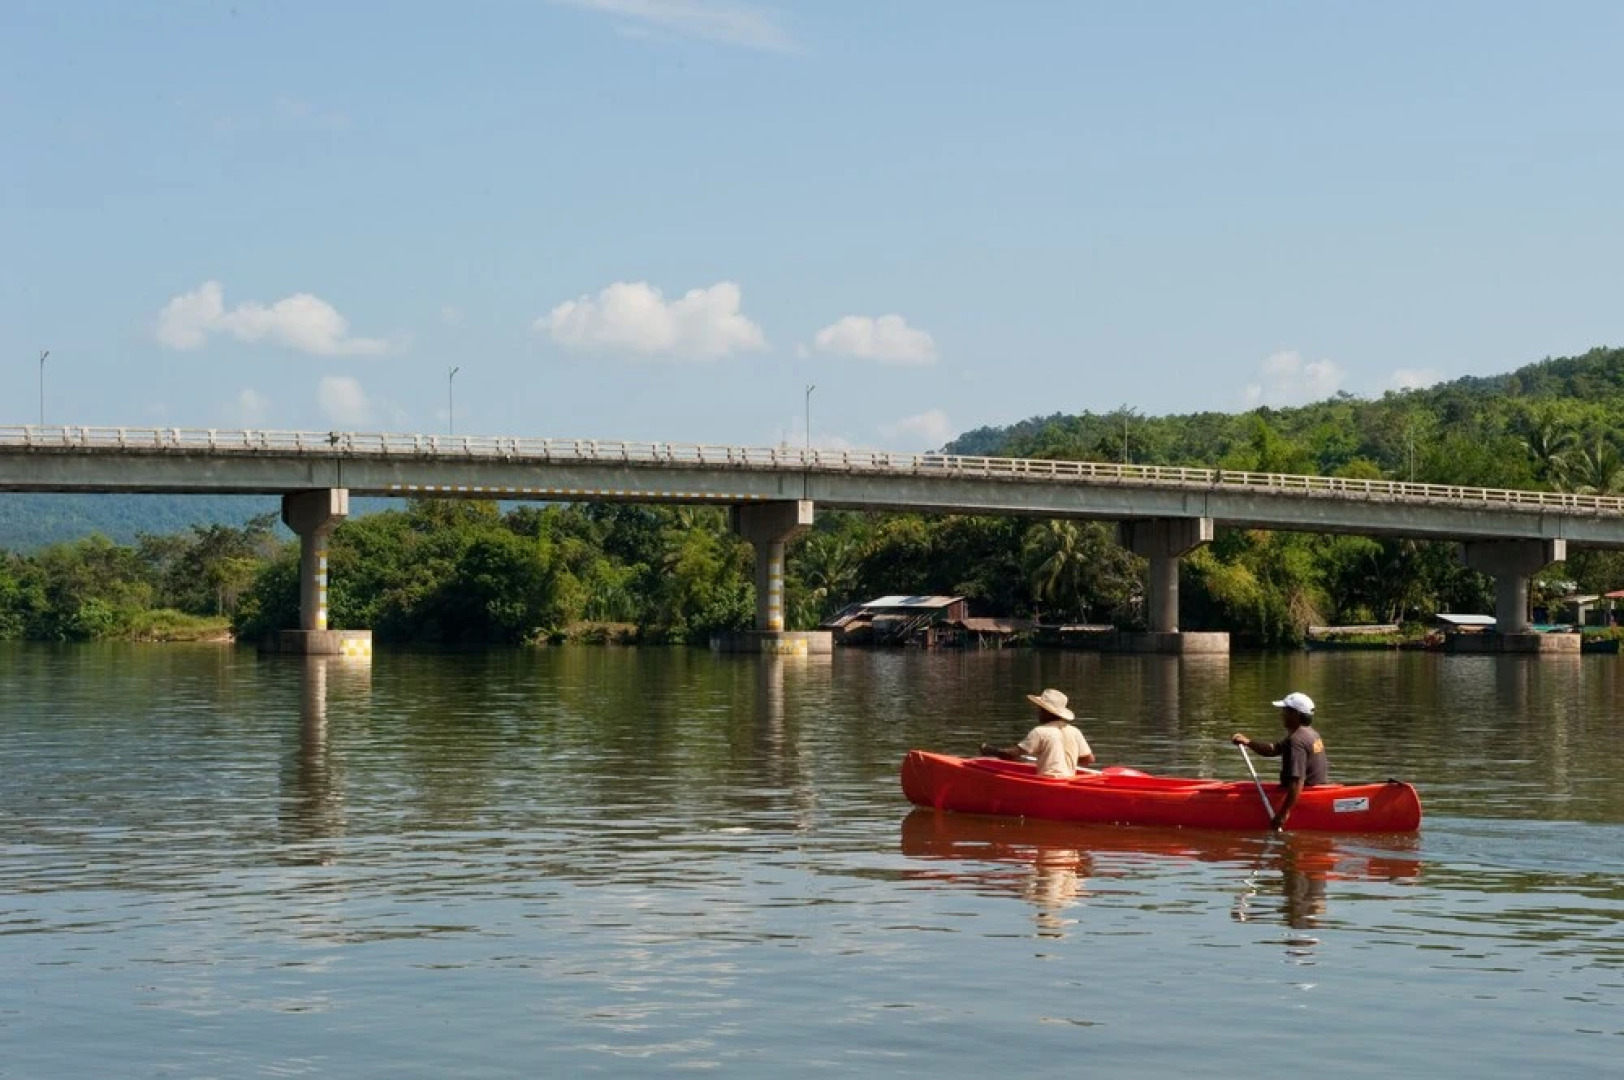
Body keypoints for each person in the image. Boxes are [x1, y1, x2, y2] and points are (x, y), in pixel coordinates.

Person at [1231, 691, 1328, 832]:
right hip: (1316, 789)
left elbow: (1297, 781)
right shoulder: (1310, 733)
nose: (1281, 714)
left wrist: (1283, 814)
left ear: (1295, 714)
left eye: (1285, 710)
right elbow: (1273, 750)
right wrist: (1248, 742)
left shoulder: (1297, 740)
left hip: (1306, 793)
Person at [979, 688, 1095, 779]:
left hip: (1049, 782)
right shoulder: (1075, 731)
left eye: (1040, 709)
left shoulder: (1040, 731)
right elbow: (1088, 759)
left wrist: (991, 751)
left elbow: (1012, 755)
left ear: (1047, 712)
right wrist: (1064, 761)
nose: (1038, 713)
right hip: (1069, 781)